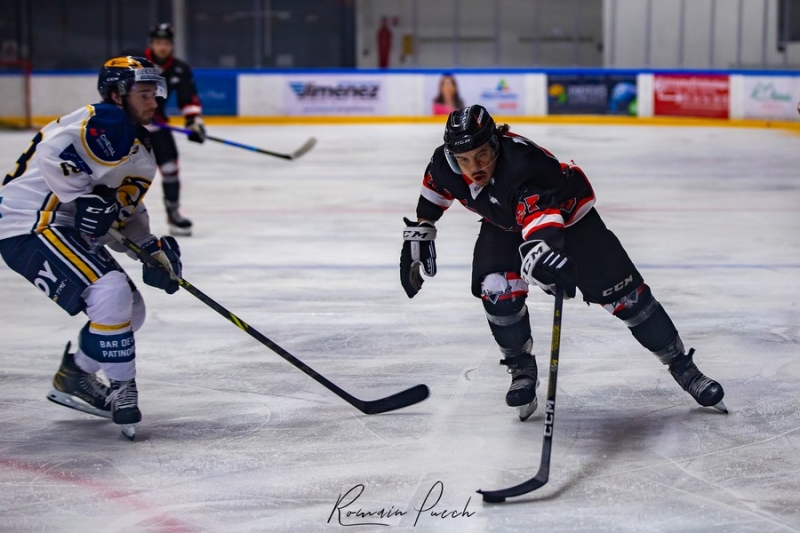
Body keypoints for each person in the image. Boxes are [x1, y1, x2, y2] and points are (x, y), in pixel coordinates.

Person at [400, 105, 726, 421]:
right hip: (505, 226)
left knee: (629, 300)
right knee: (497, 289)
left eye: (482, 155)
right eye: (464, 160)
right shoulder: (445, 164)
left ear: (496, 143)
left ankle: (683, 367)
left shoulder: (523, 165)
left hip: (569, 222)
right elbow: (435, 189)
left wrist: (542, 253)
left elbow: (541, 218)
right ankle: (521, 369)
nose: (475, 167)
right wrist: (422, 230)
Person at [0, 56, 182, 439]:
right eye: (144, 94)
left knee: (130, 311)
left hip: (58, 226)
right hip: (28, 221)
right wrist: (80, 199)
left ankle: (76, 376)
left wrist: (149, 249)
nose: (153, 103)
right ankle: (123, 387)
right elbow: (52, 153)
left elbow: (119, 213)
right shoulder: (104, 119)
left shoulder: (139, 147)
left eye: (155, 95)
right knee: (110, 290)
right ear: (117, 94)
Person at [144, 22, 206, 236]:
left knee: (170, 169)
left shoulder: (179, 68)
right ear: (151, 43)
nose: (162, 47)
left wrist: (194, 122)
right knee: (119, 171)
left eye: (166, 43)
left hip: (159, 126)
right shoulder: (135, 64)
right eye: (158, 42)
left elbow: (188, 98)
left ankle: (173, 214)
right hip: (130, 127)